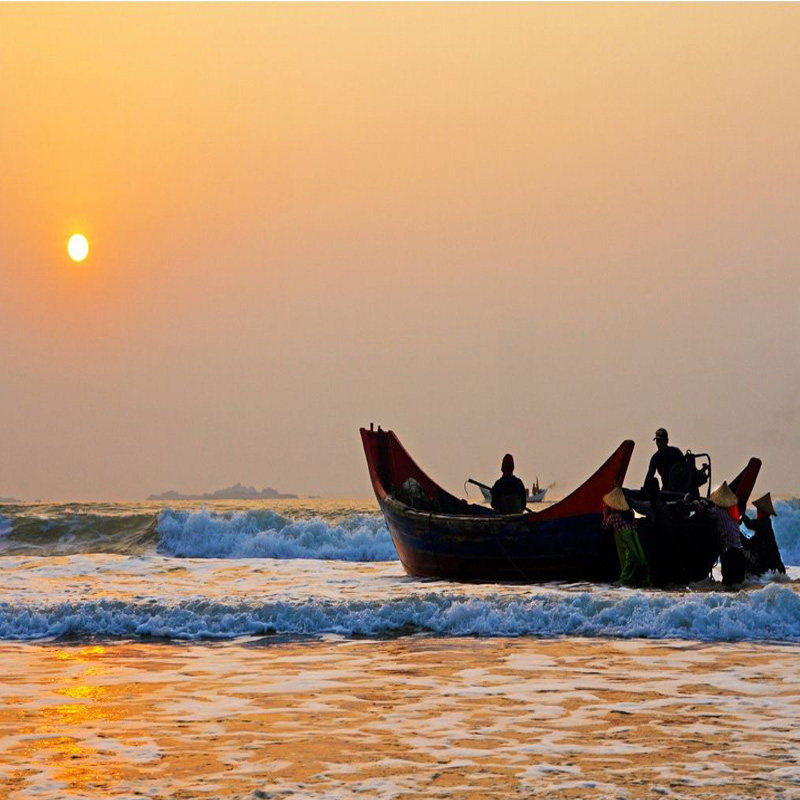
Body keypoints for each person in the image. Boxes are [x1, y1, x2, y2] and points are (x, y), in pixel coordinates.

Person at [602, 487, 650, 587]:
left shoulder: (614, 516)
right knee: (640, 559)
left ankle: (624, 580)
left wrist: (605, 515)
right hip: (633, 534)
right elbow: (635, 524)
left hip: (623, 537)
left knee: (627, 559)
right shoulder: (630, 512)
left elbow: (605, 526)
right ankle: (642, 579)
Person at [705, 482, 746, 586]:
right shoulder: (733, 514)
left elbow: (704, 513)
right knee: (737, 588)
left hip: (730, 554)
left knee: (727, 586)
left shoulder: (717, 512)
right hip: (740, 554)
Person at [741, 492, 786, 576]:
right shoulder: (765, 522)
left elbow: (749, 524)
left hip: (771, 563)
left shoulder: (763, 522)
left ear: (761, 511)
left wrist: (743, 515)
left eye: (758, 510)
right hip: (774, 562)